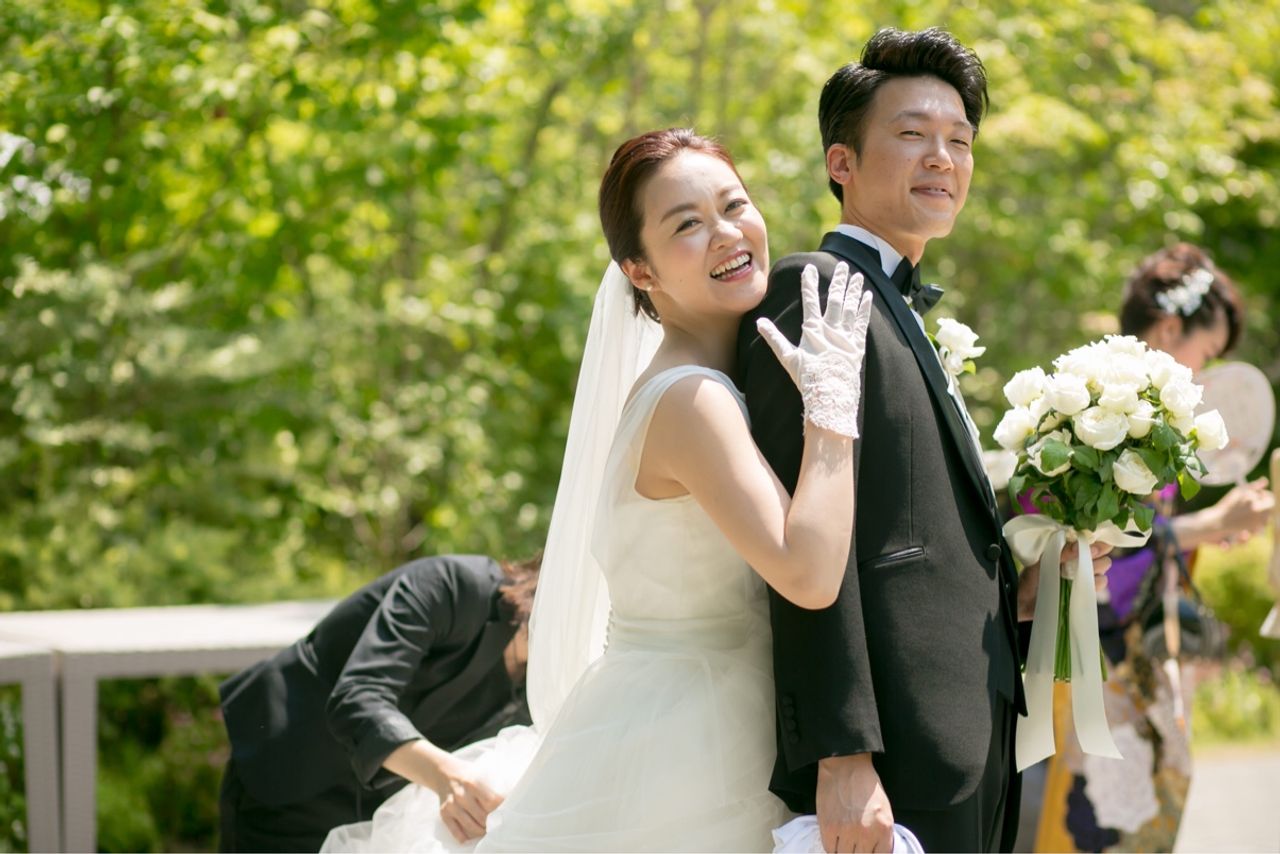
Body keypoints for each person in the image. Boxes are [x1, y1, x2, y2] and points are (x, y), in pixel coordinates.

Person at [323, 127, 915, 852]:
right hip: (691, 750)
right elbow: (809, 574)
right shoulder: (692, 400)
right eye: (687, 224)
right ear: (640, 269)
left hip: (699, 719)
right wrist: (832, 410)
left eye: (734, 205)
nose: (727, 233)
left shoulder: (709, 384)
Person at [738, 27, 1111, 853]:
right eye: (912, 134)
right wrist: (841, 753)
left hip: (972, 738)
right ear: (841, 162)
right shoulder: (816, 290)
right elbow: (804, 547)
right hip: (893, 758)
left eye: (960, 141)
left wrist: (1020, 592)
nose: (943, 157)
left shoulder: (901, 310)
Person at [1032, 243, 1274, 853]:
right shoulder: (1095, 405)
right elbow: (1090, 537)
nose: (1206, 371)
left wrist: (1209, 530)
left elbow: (1145, 537)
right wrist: (1208, 524)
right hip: (1094, 662)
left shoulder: (1150, 416)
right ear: (1169, 328)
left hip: (1131, 663)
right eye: (1207, 353)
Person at [218, 553, 538, 852]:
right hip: (293, 766)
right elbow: (358, 697)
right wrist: (445, 775)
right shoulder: (454, 584)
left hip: (376, 813)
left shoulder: (541, 683)